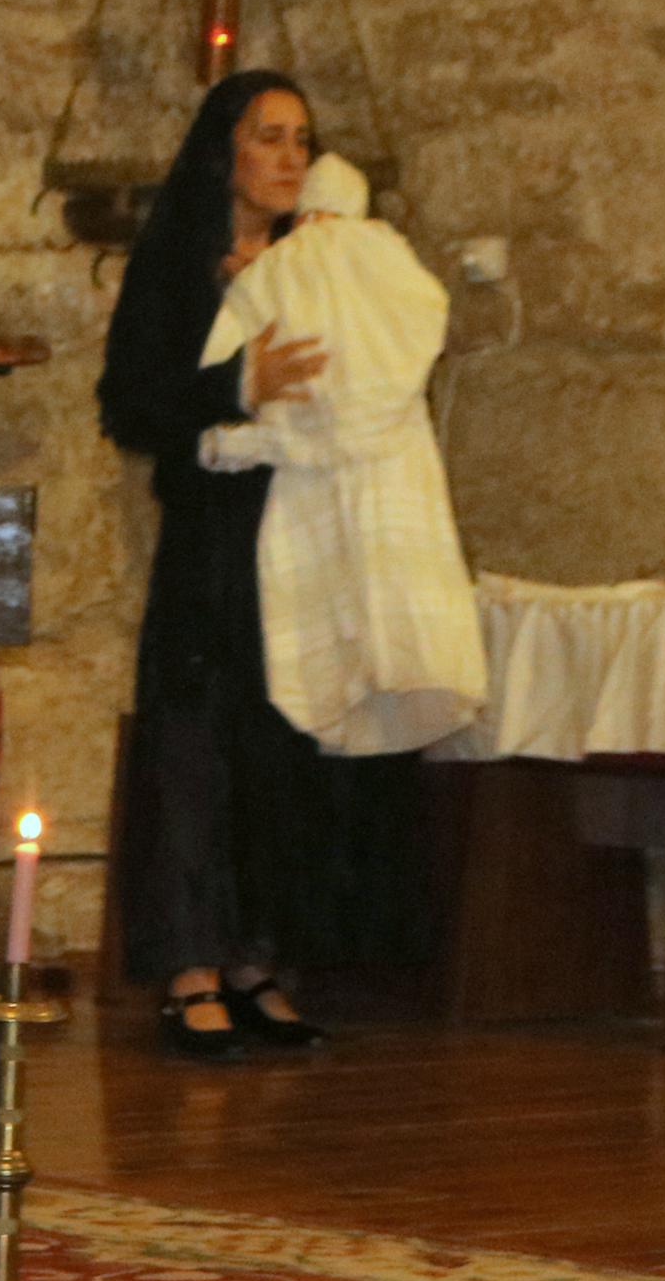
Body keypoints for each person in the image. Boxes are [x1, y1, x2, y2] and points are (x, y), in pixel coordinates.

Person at [99, 72, 429, 1060]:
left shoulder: (321, 259)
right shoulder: (173, 264)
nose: (289, 157)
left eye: (300, 139)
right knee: (195, 741)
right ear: (222, 152)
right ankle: (189, 966)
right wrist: (235, 383)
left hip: (306, 526)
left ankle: (256, 960)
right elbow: (129, 404)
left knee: (279, 744)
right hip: (213, 531)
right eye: (268, 138)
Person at [194, 152, 488, 759]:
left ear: (303, 215)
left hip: (306, 490)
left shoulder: (275, 270)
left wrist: (228, 445)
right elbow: (423, 335)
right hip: (395, 481)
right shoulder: (397, 267)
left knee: (324, 661)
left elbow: (219, 388)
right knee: (404, 640)